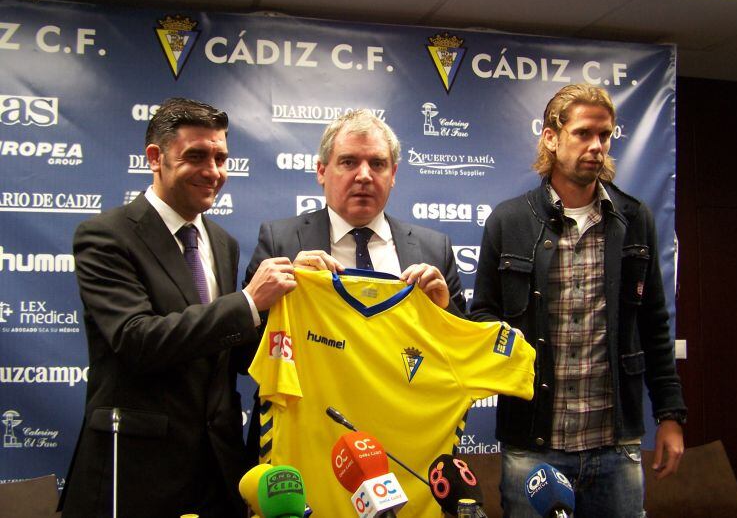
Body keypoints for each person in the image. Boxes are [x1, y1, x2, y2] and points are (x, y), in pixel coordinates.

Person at [59, 98, 296, 518]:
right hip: (135, 474)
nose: (213, 171)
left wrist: (295, 302)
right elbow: (137, 340)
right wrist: (246, 303)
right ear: (156, 157)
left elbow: (231, 353)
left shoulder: (222, 242)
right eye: (197, 156)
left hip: (216, 470)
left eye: (221, 157)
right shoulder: (104, 236)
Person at [471, 84, 686, 517]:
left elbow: (654, 326)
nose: (596, 146)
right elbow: (483, 317)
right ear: (551, 137)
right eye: (584, 133)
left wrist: (670, 415)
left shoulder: (633, 219)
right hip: (532, 443)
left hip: (614, 443)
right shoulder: (509, 220)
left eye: (605, 136)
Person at [242, 108, 467, 461]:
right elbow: (244, 355)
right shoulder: (281, 240)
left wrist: (445, 309)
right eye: (348, 162)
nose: (364, 175)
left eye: (377, 164)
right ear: (321, 171)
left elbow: (461, 362)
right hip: (306, 441)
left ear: (393, 175)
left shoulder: (432, 248)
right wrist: (277, 298)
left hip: (402, 442)